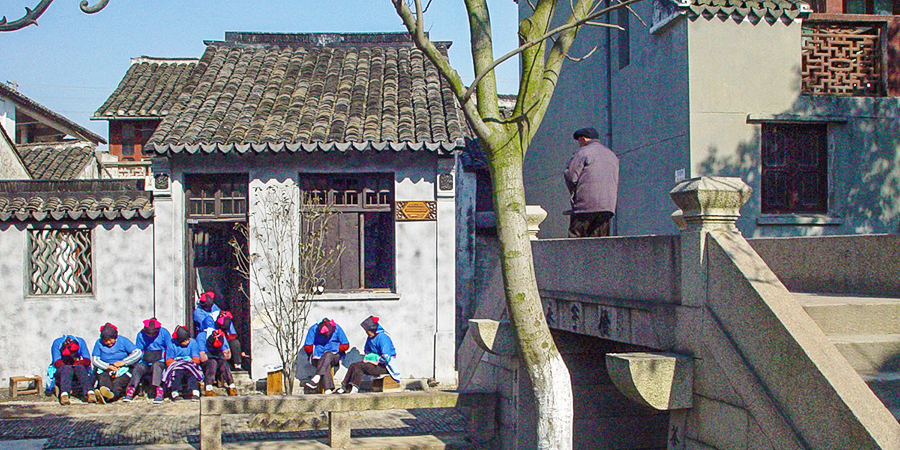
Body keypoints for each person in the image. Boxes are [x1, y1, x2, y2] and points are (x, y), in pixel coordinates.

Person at [564, 127, 619, 237]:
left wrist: (574, 194)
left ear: (583, 139)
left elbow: (571, 177)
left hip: (585, 206)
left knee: (575, 243)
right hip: (607, 206)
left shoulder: (582, 153)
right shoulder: (611, 155)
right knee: (600, 243)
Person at [337, 316, 400, 394]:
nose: (367, 333)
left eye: (368, 331)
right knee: (353, 365)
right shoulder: (370, 338)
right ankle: (344, 386)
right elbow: (367, 349)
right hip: (373, 363)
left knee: (360, 366)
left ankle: (355, 387)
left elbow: (386, 356)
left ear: (373, 329)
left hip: (384, 365)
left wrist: (375, 358)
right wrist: (369, 356)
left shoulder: (383, 338)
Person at [91, 323, 142, 403]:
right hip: (106, 368)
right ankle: (105, 391)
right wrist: (107, 366)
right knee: (103, 378)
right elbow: (95, 359)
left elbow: (137, 353)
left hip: (122, 368)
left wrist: (123, 362)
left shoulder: (123, 341)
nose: (108, 342)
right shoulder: (99, 343)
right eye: (105, 341)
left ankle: (110, 396)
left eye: (110, 340)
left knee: (119, 383)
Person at [193, 291, 243, 369]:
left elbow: (224, 319)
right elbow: (207, 325)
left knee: (235, 343)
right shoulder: (198, 312)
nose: (208, 308)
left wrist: (228, 331)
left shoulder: (214, 307)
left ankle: (237, 365)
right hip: (208, 336)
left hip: (221, 333)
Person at [125, 318, 170, 404]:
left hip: (160, 360)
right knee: (138, 367)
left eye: (153, 334)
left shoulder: (164, 333)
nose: (151, 336)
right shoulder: (140, 335)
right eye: (149, 333)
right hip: (146, 360)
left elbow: (169, 348)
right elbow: (139, 350)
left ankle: (158, 389)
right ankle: (131, 389)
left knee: (157, 366)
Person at [302, 317, 349, 394]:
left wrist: (333, 348)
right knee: (325, 362)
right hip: (317, 357)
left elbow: (345, 345)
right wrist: (317, 349)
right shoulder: (313, 329)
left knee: (328, 355)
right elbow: (307, 347)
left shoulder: (337, 328)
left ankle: (317, 377)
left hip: (334, 356)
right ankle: (328, 389)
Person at [49, 334, 95, 405]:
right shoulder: (57, 343)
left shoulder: (81, 342)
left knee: (80, 368)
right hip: (62, 370)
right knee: (67, 369)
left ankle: (90, 392)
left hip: (76, 367)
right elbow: (57, 362)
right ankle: (64, 394)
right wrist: (70, 366)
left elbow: (87, 360)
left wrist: (76, 363)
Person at [162, 325, 203, 401]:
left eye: (187, 339)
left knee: (192, 372)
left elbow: (196, 357)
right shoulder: (171, 344)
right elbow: (169, 360)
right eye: (184, 341)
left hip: (190, 364)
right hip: (177, 365)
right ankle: (175, 393)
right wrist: (178, 362)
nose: (187, 342)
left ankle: (195, 392)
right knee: (177, 373)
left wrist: (191, 361)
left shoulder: (193, 343)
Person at [198, 328, 238, 396]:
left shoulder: (221, 336)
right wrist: (212, 355)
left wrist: (220, 355)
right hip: (206, 363)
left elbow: (228, 355)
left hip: (218, 359)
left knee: (224, 363)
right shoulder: (201, 337)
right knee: (212, 363)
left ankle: (231, 386)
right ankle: (208, 388)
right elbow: (202, 357)